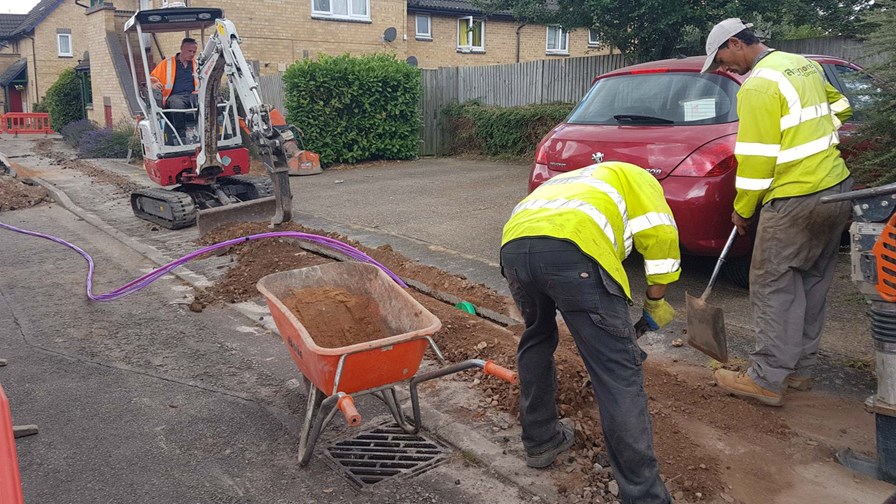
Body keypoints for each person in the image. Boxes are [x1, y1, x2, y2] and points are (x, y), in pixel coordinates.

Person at [500, 161, 679, 503]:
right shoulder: (640, 178)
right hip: (574, 250)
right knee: (617, 374)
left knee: (537, 336)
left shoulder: (571, 180)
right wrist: (655, 301)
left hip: (515, 249)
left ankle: (540, 440)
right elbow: (661, 236)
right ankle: (644, 496)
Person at [702, 19, 853, 406]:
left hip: (794, 196)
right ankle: (799, 370)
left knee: (772, 284)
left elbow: (756, 160)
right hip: (836, 188)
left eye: (721, 59)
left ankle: (767, 378)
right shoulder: (802, 64)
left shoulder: (758, 86)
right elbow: (842, 108)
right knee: (812, 280)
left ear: (736, 43)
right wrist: (815, 138)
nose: (723, 68)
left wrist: (742, 209)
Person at [150, 37, 199, 140]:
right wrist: (153, 85)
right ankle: (181, 135)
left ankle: (206, 131)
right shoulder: (167, 64)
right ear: (181, 49)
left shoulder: (198, 64)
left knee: (208, 102)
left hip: (193, 95)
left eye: (194, 51)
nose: (192, 54)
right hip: (174, 96)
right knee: (178, 104)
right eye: (189, 51)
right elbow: (152, 79)